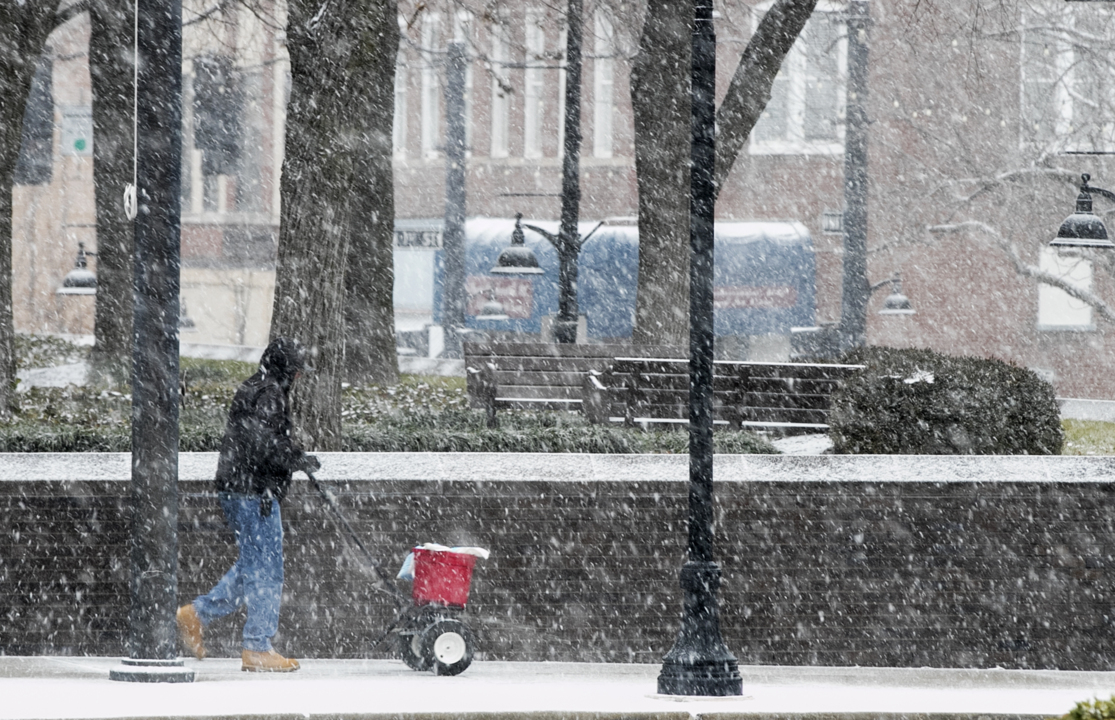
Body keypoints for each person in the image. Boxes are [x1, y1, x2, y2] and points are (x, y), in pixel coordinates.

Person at [176, 337, 320, 672]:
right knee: (267, 571)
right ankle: (256, 646)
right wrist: (295, 457)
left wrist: (292, 455)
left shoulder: (254, 387)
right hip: (255, 493)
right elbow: (264, 444)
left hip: (240, 488)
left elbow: (258, 438)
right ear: (288, 370)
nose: (298, 378)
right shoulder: (269, 393)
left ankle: (197, 614)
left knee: (254, 565)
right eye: (297, 371)